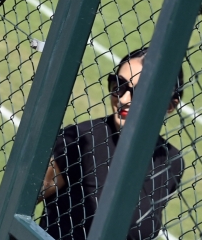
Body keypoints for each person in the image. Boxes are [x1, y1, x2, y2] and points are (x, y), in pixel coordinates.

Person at [38, 48, 185, 240]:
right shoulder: (82, 140)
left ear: (169, 105)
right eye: (119, 85)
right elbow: (10, 205)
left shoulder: (171, 162)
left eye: (140, 91)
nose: (123, 99)